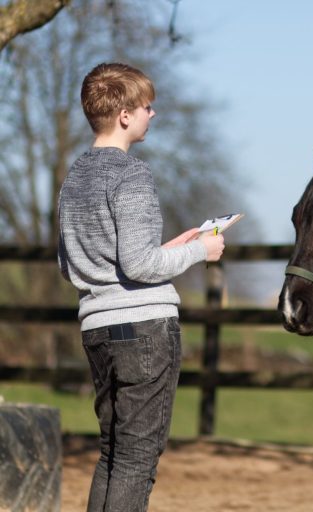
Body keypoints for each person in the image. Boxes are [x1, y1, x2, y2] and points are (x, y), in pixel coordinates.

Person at [57, 62, 225, 512]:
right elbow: (139, 264)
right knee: (135, 459)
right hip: (144, 330)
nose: (155, 113)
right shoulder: (132, 175)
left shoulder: (73, 180)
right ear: (124, 116)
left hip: (97, 330)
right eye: (148, 106)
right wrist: (199, 252)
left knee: (112, 453)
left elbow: (71, 263)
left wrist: (165, 248)